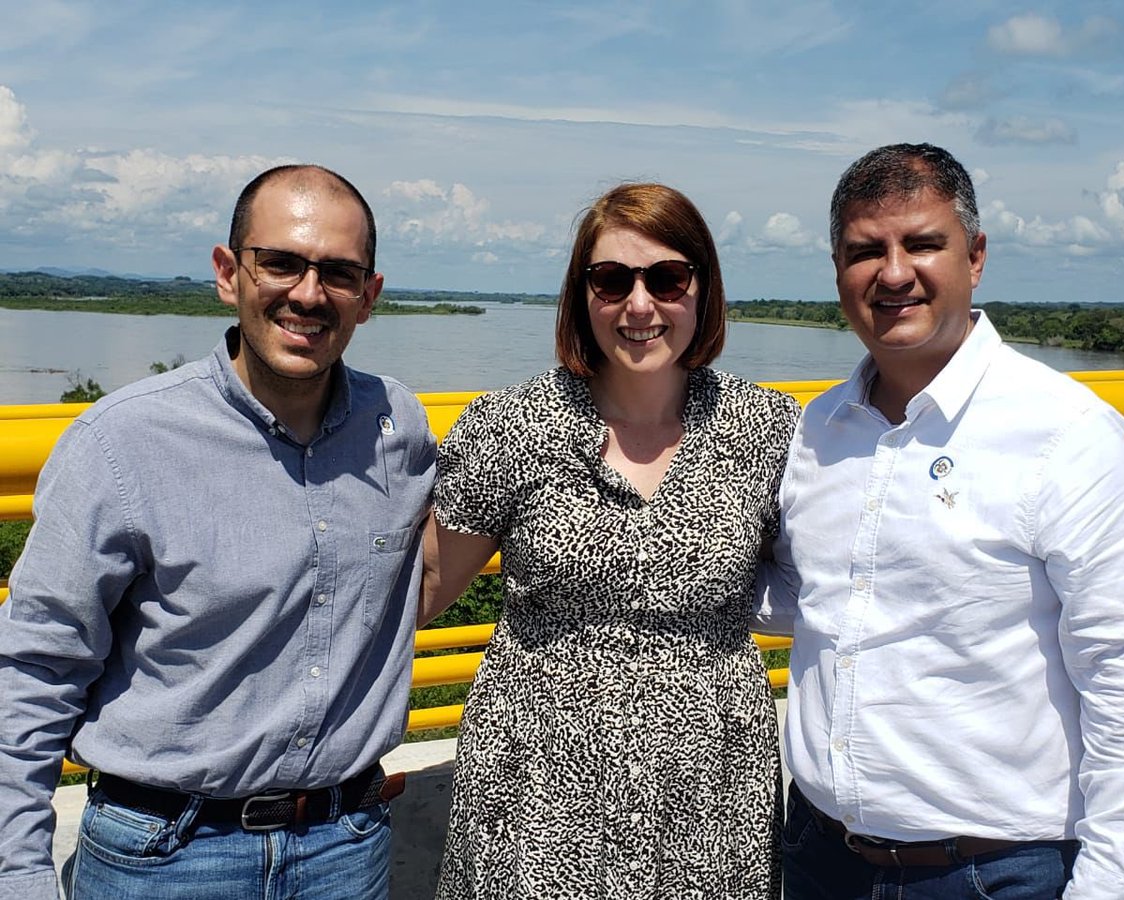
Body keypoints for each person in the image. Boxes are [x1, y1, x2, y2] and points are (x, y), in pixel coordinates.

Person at [756, 143, 1124, 900]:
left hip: (993, 873)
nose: (892, 273)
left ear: (975, 257)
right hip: (821, 855)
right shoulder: (815, 431)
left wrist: (1109, 883)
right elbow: (808, 599)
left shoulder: (1067, 433)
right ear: (836, 271)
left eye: (921, 243)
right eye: (864, 252)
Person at [0, 164, 436, 900]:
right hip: (164, 854)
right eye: (282, 263)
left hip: (345, 846)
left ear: (369, 297)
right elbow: (36, 668)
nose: (307, 292)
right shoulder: (124, 442)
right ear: (228, 273)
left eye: (337, 272)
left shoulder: (398, 426)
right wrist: (18, 875)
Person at [421, 182, 799, 898]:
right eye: (611, 279)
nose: (639, 304)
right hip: (535, 788)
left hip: (710, 791)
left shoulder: (767, 432)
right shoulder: (514, 426)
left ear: (702, 291)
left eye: (667, 278)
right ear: (580, 295)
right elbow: (426, 588)